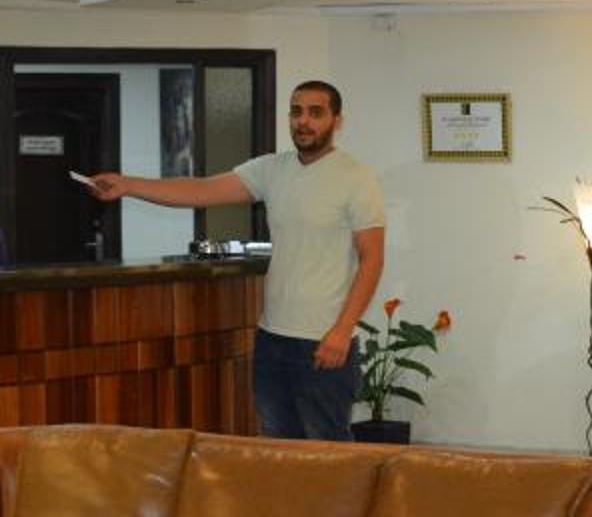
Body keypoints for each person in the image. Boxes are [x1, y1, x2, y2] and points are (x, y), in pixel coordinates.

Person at [78, 79, 382, 439]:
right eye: (296, 111)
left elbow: (372, 260)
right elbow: (200, 189)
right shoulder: (272, 169)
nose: (303, 121)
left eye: (316, 113)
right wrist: (128, 185)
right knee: (278, 447)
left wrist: (342, 331)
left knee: (329, 454)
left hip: (324, 340)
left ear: (336, 121)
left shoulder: (355, 177)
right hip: (273, 337)